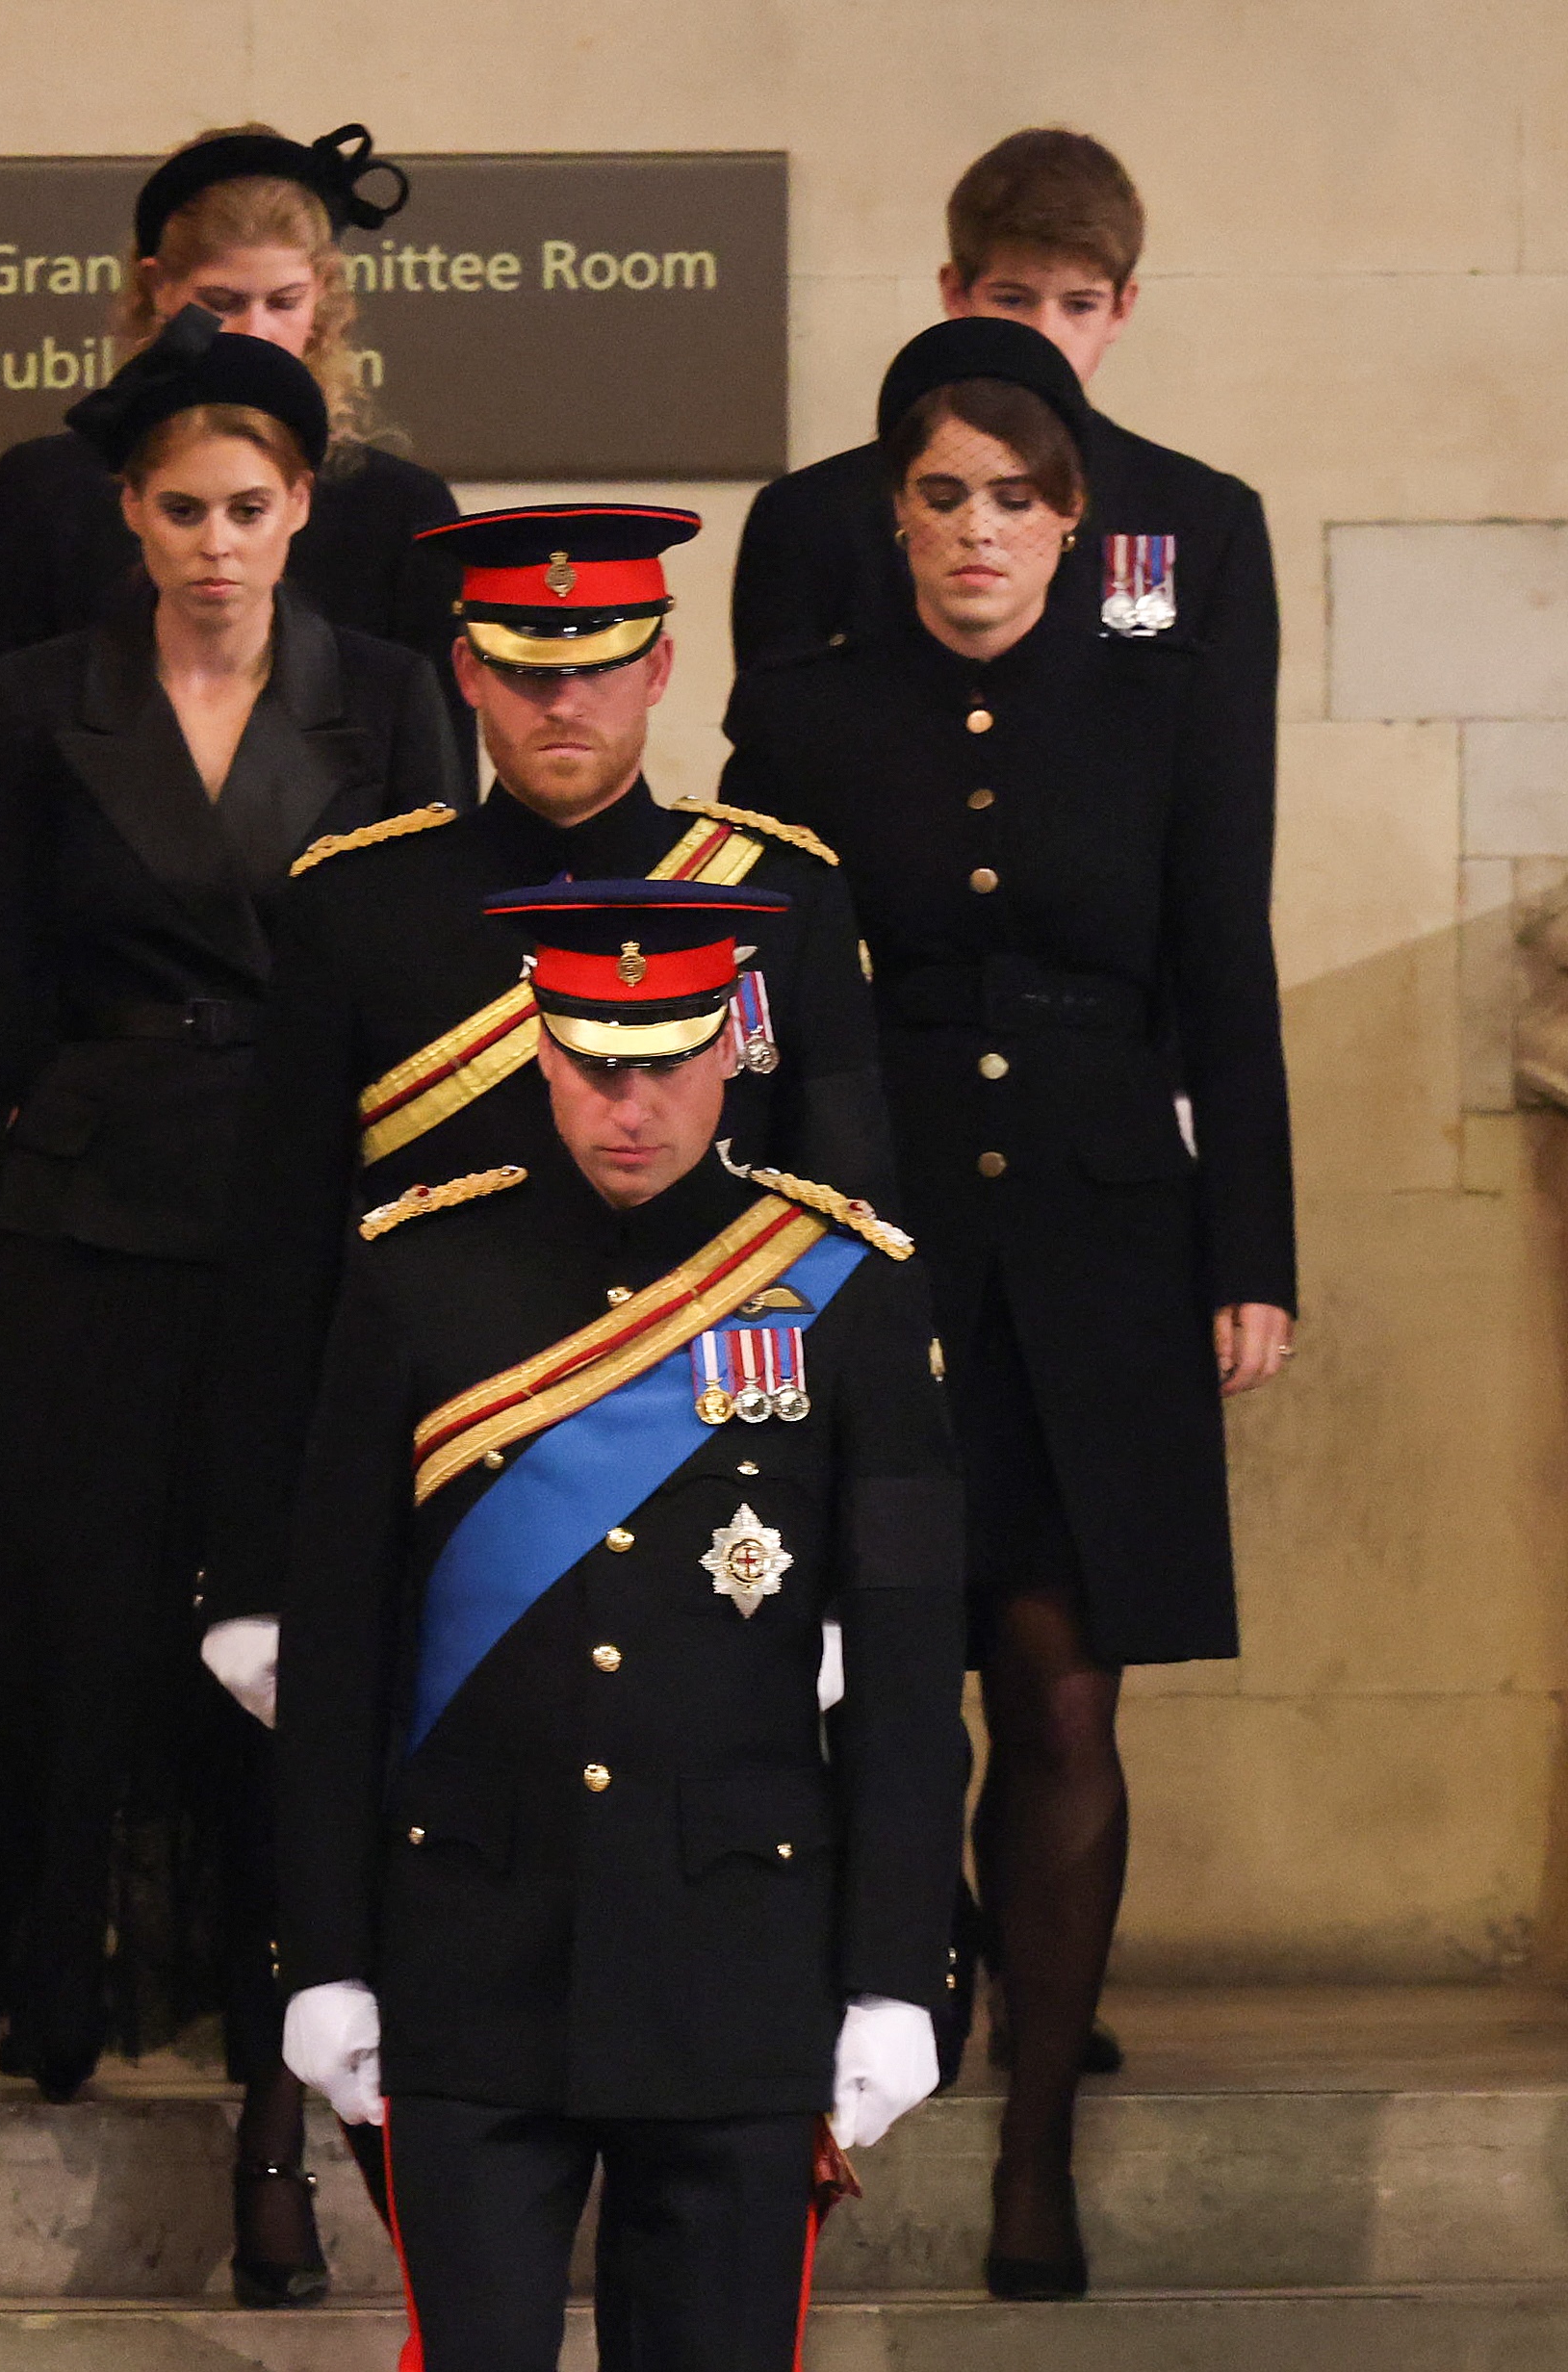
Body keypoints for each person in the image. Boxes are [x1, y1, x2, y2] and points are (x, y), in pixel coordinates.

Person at [0, 314, 453, 2302]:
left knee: (284, 1643)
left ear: (306, 512)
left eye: (253, 506)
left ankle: (272, 2117)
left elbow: (431, 988)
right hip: (89, 1209)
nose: (218, 540)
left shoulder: (384, 695)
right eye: (184, 506)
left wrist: (444, 1238)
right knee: (80, 1602)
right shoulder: (46, 696)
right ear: (127, 513)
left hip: (313, 1217)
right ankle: (57, 1983)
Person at [718, 316, 1299, 2297]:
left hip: (1103, 1227)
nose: (981, 531)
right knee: (861, 1669)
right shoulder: (803, 714)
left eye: (1018, 499)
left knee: (1058, 1681)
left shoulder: (1158, 704)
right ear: (896, 521)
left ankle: (1036, 2144)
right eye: (945, 498)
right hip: (866, 1231)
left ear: (1073, 522)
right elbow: (742, 991)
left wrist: (1254, 1254)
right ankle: (873, 2030)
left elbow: (1227, 973)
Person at [274, 879, 964, 2372]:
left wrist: (899, 1973)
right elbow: (337, 1649)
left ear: (733, 1050)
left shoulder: (840, 1287)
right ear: (540, 1047)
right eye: (595, 1063)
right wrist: (321, 1948)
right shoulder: (414, 1272)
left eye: (665, 1064)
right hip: (469, 1951)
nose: (630, 1106)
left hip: (735, 1963)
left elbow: (909, 1676)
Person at [198, 504, 894, 1680]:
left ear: (660, 666)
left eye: (602, 663)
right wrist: (259, 1578)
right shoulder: (357, 906)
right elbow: (283, 1257)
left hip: (712, 1483)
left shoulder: (782, 897)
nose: (563, 701)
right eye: (527, 669)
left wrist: (838, 1580)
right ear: (468, 670)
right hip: (438, 1483)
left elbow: (842, 1245)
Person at [0, 120, 465, 784]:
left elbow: (439, 800)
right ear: (158, 287)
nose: (254, 332)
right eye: (222, 303)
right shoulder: (44, 492)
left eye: (284, 302)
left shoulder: (402, 510)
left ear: (323, 298)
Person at [728, 126, 1275, 756]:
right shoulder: (810, 516)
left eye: (1080, 305)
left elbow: (1229, 791)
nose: (1045, 334)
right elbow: (776, 777)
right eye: (1013, 299)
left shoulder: (1199, 516)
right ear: (955, 292)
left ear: (1123, 309)